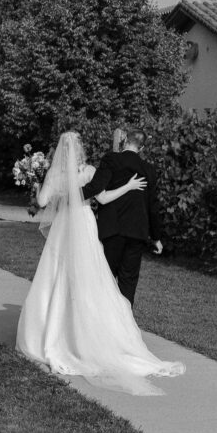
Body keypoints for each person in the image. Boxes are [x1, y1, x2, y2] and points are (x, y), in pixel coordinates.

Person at [16, 130, 184, 396]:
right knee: (92, 278)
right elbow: (103, 197)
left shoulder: (55, 175)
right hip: (83, 224)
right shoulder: (90, 170)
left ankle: (55, 333)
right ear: (81, 149)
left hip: (63, 227)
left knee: (57, 275)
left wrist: (40, 183)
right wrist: (129, 187)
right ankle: (105, 334)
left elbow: (41, 201)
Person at [79, 127, 161, 307]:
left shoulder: (111, 160)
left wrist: (69, 195)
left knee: (105, 279)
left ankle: (103, 323)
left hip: (112, 230)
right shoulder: (148, 170)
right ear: (142, 148)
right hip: (137, 232)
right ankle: (126, 328)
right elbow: (153, 206)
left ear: (125, 141)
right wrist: (156, 237)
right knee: (128, 282)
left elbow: (95, 187)